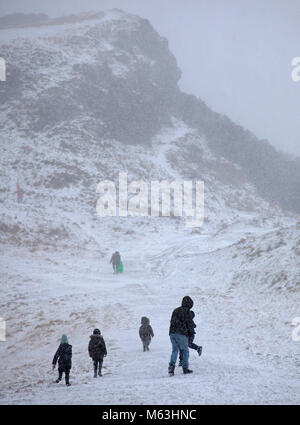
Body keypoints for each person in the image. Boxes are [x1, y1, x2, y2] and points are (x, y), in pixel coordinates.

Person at [168, 296, 194, 376]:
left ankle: (171, 367)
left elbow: (172, 321)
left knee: (175, 350)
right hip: (181, 333)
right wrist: (191, 333)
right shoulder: (187, 312)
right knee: (185, 350)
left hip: (172, 333)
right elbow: (189, 324)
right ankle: (185, 368)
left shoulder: (176, 310)